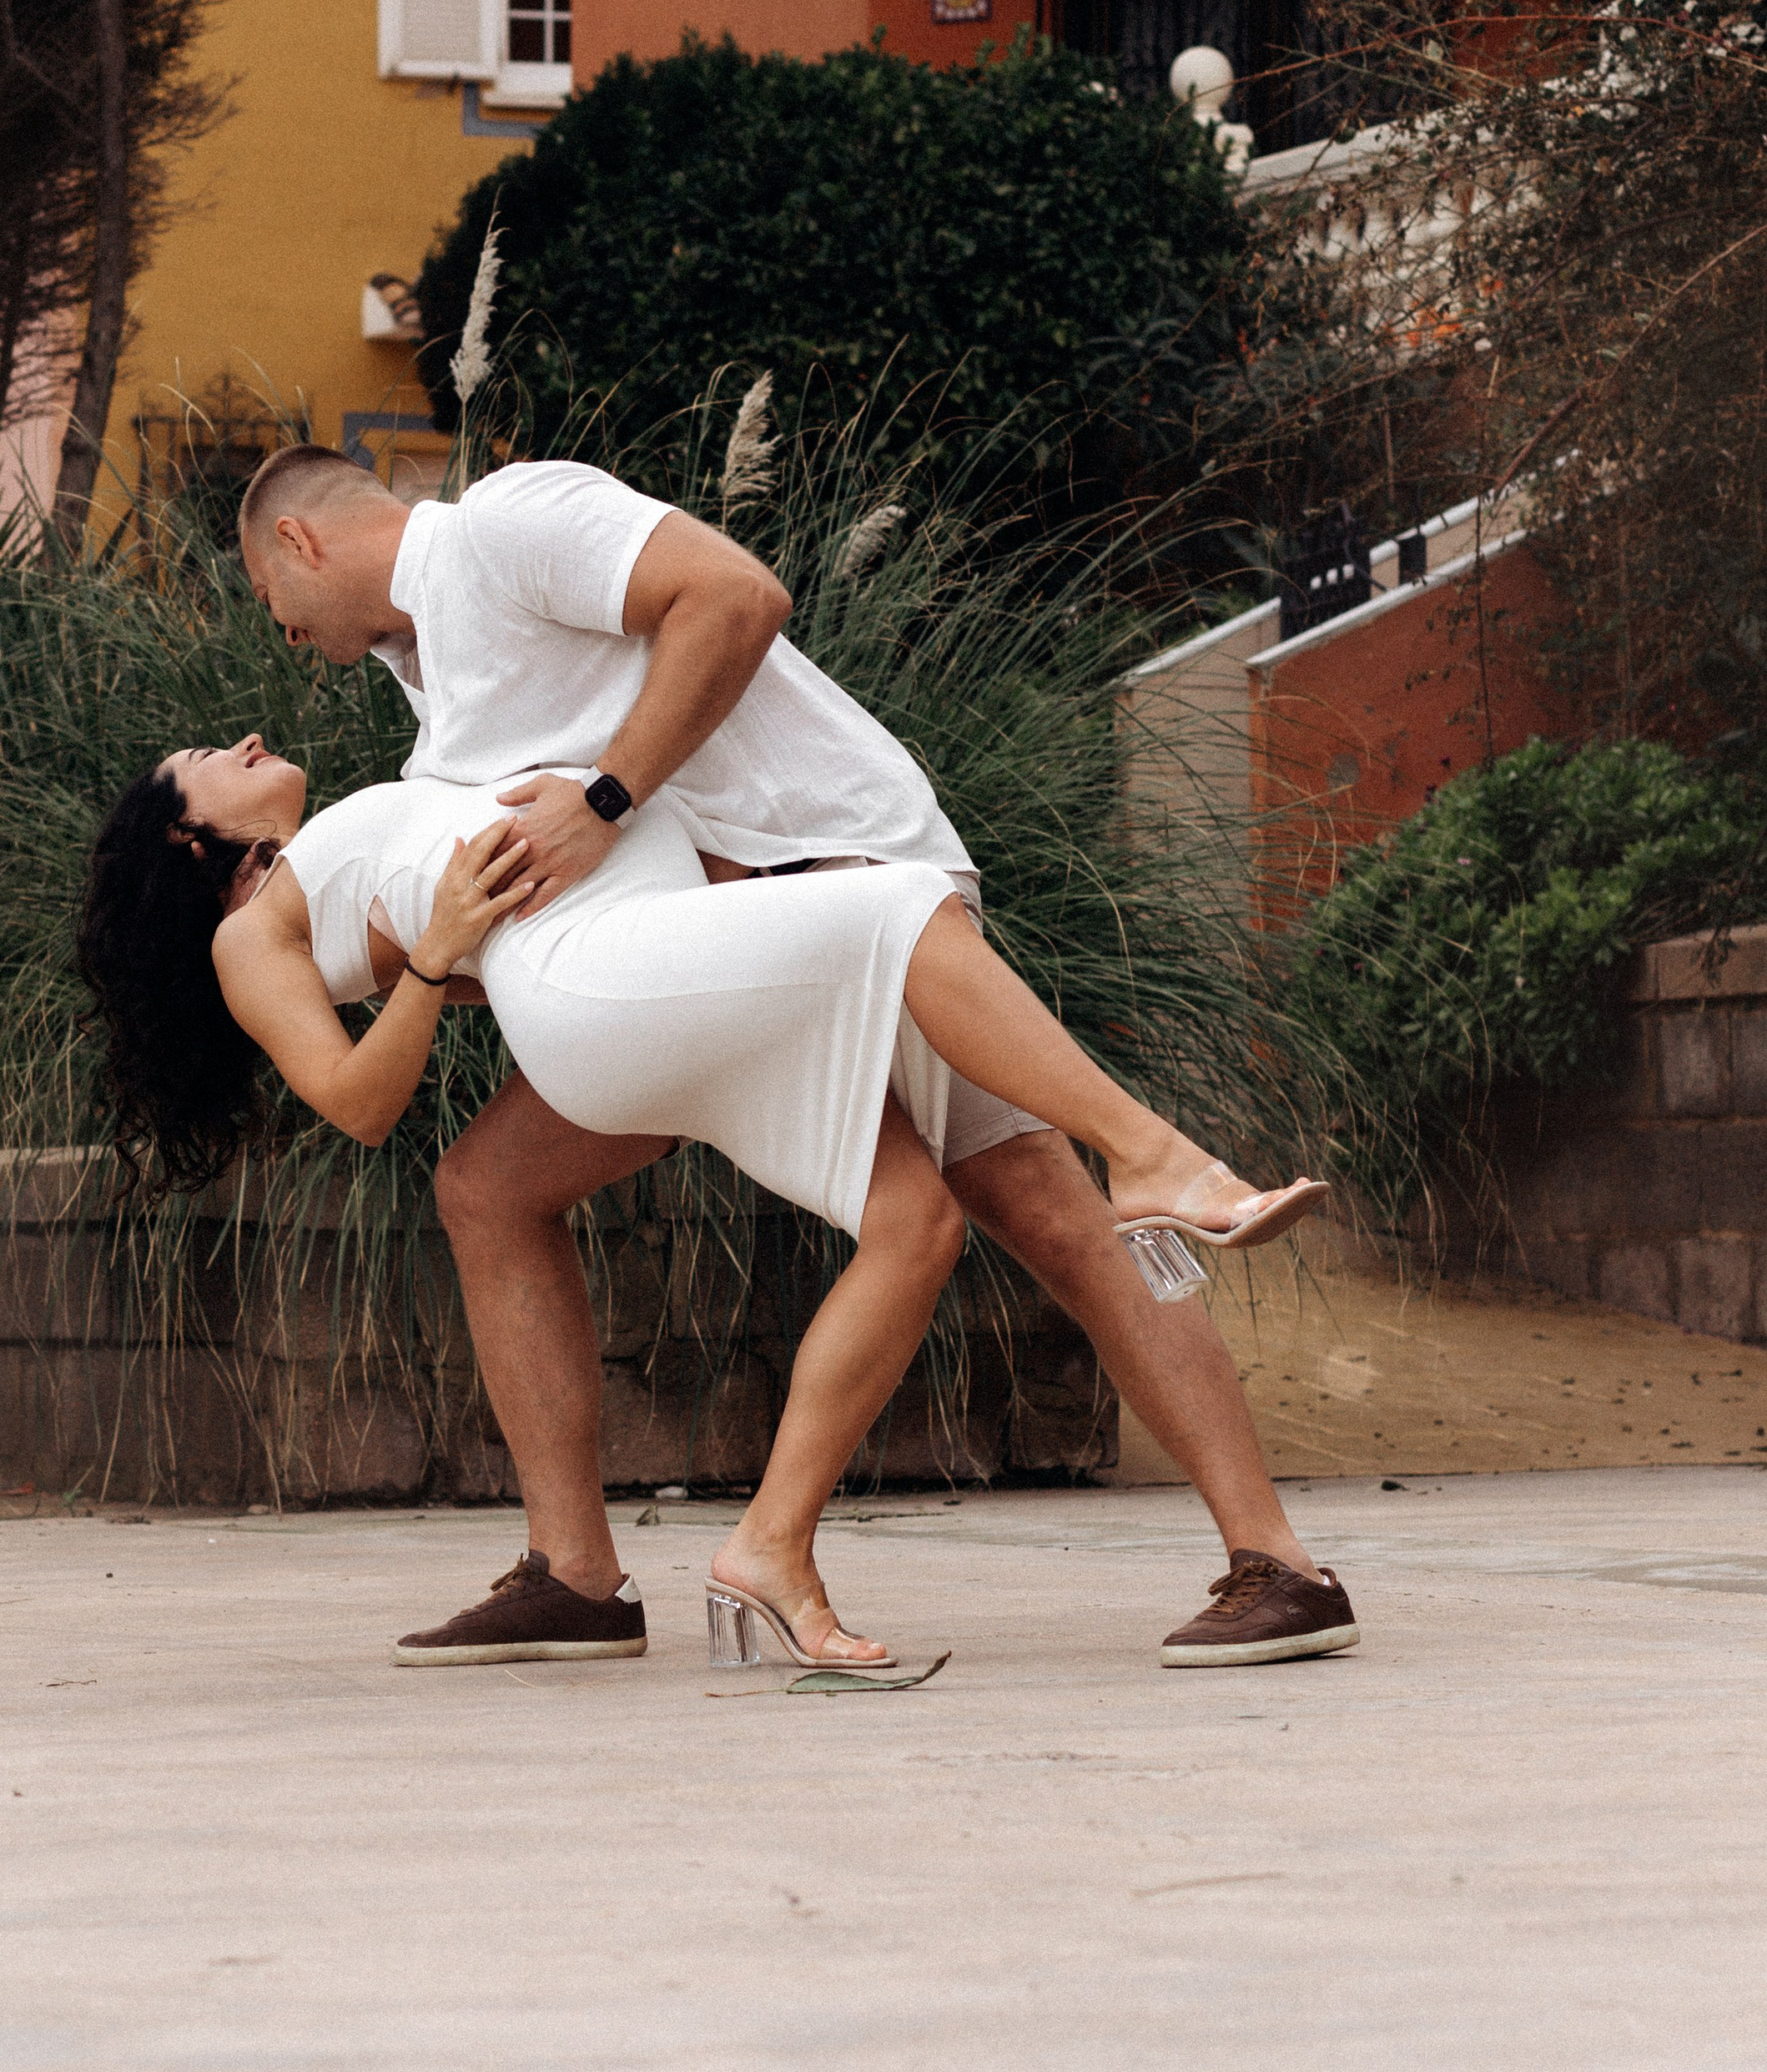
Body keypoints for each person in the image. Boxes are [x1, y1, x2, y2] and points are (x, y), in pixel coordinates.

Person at [234, 445, 1358, 1674]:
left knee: (1040, 1199)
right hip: (709, 952)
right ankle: (577, 1577)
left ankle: (1277, 1560)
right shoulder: (435, 682)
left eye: (268, 603)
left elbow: (738, 596)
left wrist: (604, 801)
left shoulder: (503, 526)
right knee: (489, 1186)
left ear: (299, 543)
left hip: (831, 871)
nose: (285, 639)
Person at [78, 729, 1337, 1671]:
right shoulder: (249, 933)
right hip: (616, 986)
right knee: (902, 906)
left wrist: (473, 943)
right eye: (207, 758)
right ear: (189, 845)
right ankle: (1148, 1152)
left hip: (664, 966)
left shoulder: (380, 798)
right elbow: (358, 1102)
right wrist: (445, 952)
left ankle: (758, 1552)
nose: (243, 741)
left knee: (916, 1225)